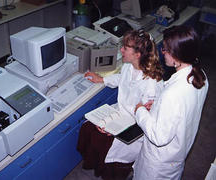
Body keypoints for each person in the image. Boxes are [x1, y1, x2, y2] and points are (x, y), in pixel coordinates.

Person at [77, 29, 164, 179]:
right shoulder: (129, 67)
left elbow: (146, 120)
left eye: (125, 47)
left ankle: (117, 171)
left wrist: (113, 129)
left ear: (138, 54)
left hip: (135, 127)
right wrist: (102, 79)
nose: (121, 50)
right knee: (87, 129)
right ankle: (96, 165)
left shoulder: (151, 84)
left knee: (102, 142)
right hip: (121, 114)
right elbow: (121, 78)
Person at [133, 25, 209, 179]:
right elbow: (183, 111)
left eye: (166, 49)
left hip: (157, 165)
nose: (163, 52)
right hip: (177, 156)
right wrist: (157, 107)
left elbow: (158, 137)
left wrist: (140, 110)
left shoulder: (173, 94)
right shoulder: (201, 77)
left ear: (176, 55)